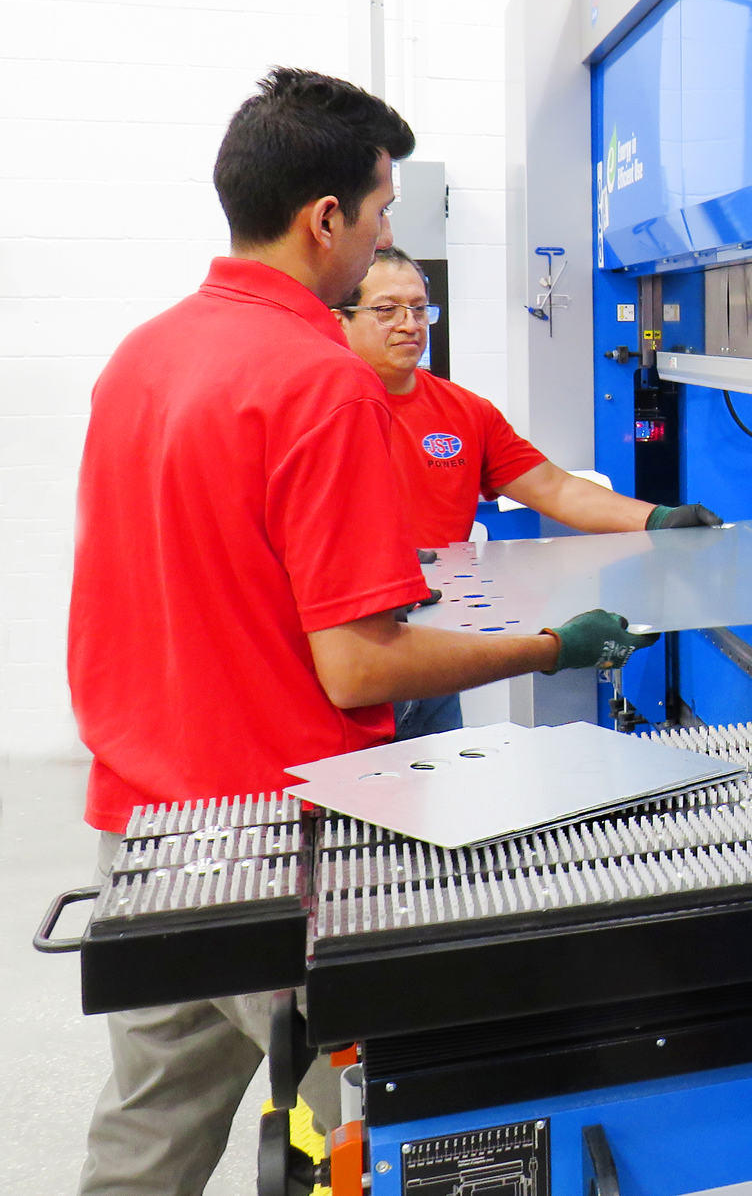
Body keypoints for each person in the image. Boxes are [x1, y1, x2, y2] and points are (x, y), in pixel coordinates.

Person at [66, 68, 656, 1196]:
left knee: (148, 1135)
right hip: (279, 844)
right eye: (383, 211)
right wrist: (553, 648)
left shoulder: (140, 355)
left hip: (145, 829)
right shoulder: (318, 383)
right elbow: (357, 666)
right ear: (325, 218)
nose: (390, 238)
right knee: (379, 1128)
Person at [335, 245, 720, 736]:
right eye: (387, 310)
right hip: (351, 649)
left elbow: (554, 488)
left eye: (419, 308)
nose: (409, 324)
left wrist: (658, 518)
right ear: (340, 319)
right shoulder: (325, 412)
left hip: (430, 649)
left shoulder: (464, 411)